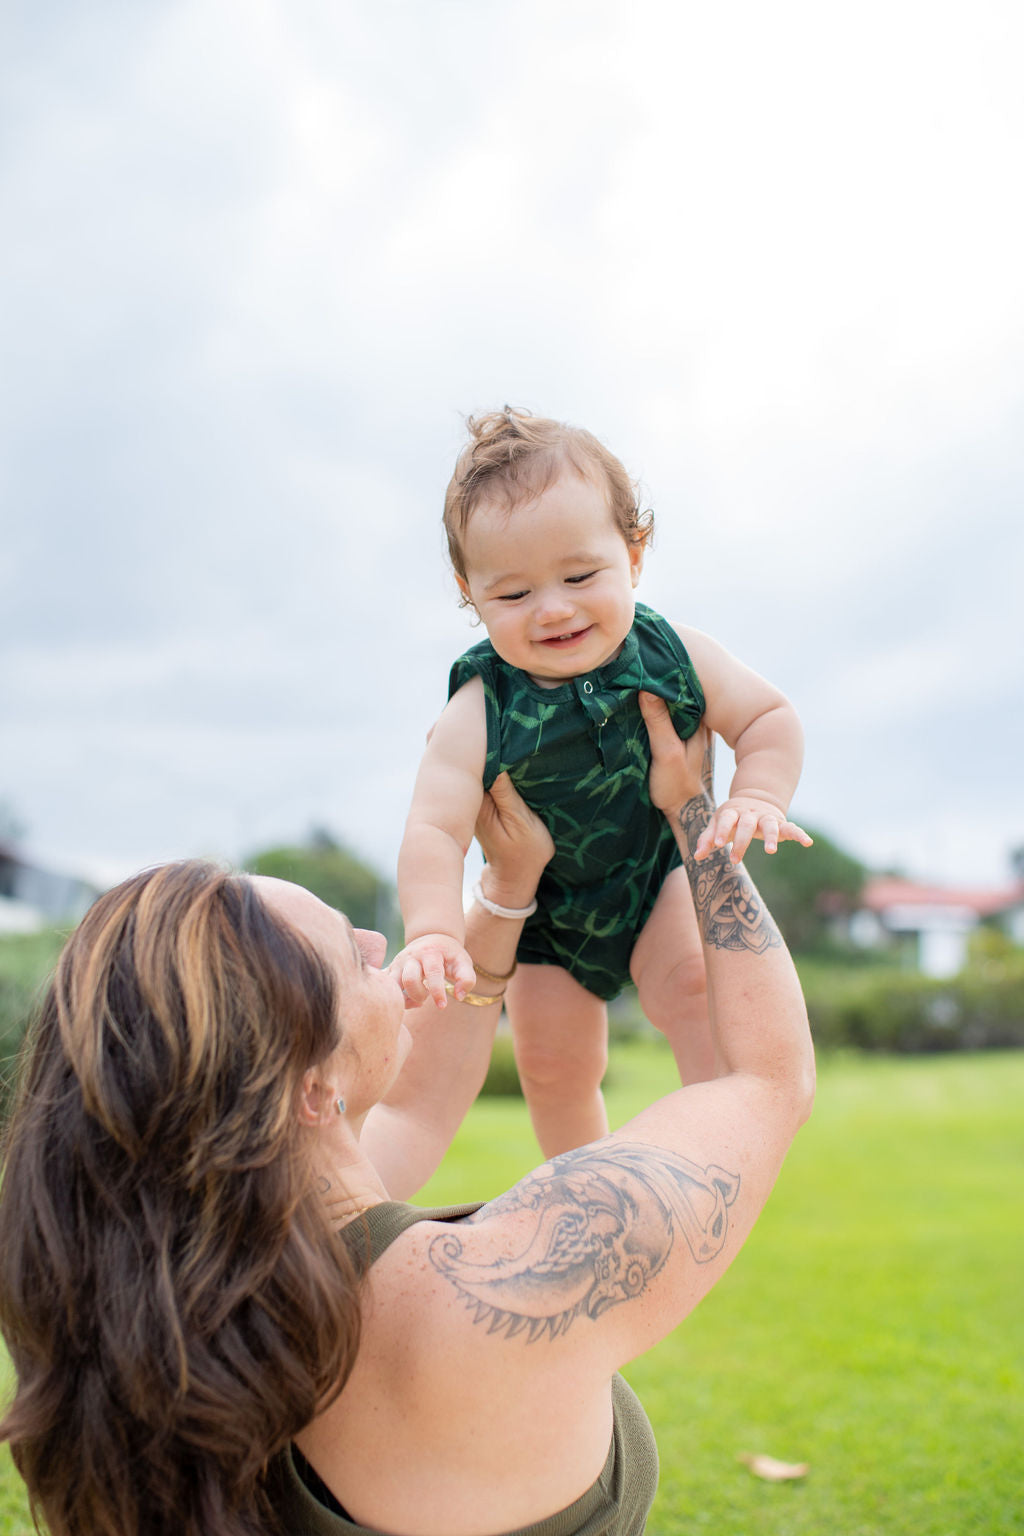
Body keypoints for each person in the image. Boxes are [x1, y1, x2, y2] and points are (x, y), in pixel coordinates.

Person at [0, 699, 815, 1536]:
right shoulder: (515, 1278)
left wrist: (507, 889)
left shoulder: (165, 1314)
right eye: (349, 954)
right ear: (310, 1086)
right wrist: (692, 814)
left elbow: (420, 1103)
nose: (378, 945)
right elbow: (765, 1078)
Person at [396, 406, 813, 1155]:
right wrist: (432, 930)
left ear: (634, 551)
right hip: (548, 917)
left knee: (693, 986)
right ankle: (584, 1184)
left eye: (581, 575)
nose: (553, 609)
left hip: (658, 873)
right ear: (469, 590)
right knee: (554, 1066)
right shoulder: (478, 706)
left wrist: (756, 795)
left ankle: (722, 1142)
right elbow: (434, 828)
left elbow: (769, 717)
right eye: (513, 595)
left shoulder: (671, 651)